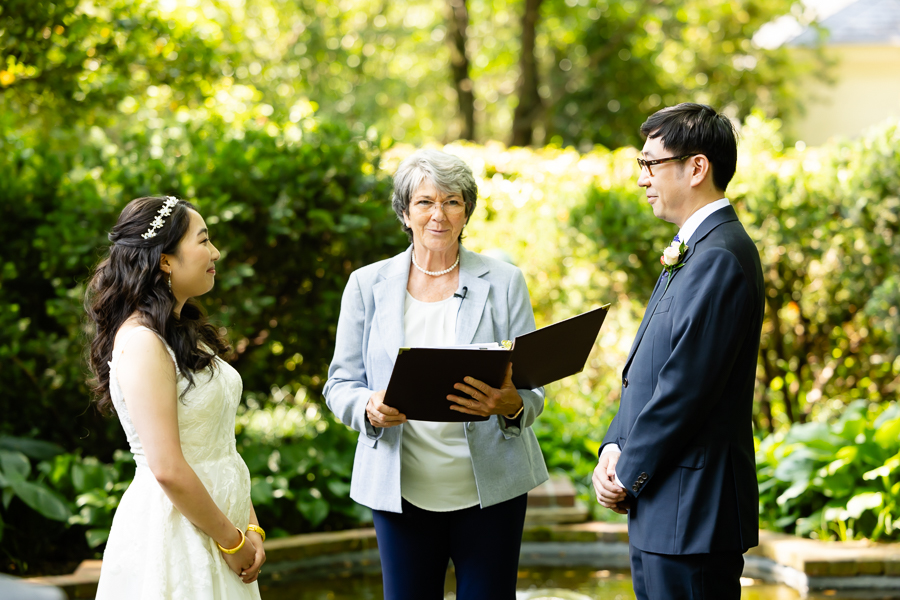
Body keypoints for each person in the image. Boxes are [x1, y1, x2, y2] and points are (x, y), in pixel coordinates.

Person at [324, 149, 548, 600]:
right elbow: (339, 384)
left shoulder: (505, 282)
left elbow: (532, 387)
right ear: (405, 213)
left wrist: (512, 404)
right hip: (401, 489)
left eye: (452, 201)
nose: (438, 215)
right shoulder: (367, 285)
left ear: (467, 210)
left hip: (492, 490)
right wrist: (367, 406)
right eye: (425, 202)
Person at [592, 103, 765, 599]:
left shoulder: (720, 256)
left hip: (694, 511)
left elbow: (686, 387)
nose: (642, 178)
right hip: (664, 509)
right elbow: (645, 371)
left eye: (650, 163)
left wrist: (627, 471)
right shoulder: (694, 247)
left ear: (696, 167)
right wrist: (612, 448)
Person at [85, 196, 266, 599]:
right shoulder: (143, 343)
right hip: (175, 532)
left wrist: (249, 527)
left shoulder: (182, 332)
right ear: (165, 260)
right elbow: (166, 466)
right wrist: (231, 541)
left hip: (222, 523)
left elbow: (221, 446)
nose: (215, 252)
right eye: (203, 241)